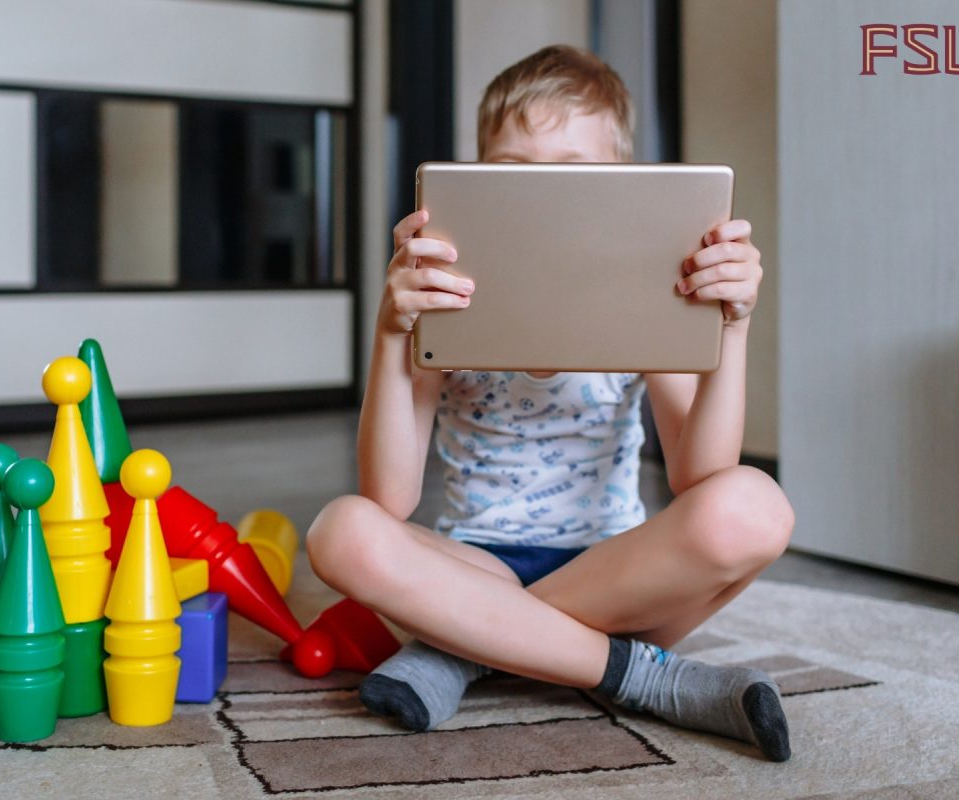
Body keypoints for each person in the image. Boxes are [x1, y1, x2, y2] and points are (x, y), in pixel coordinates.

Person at [306, 44, 795, 762]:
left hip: (623, 581)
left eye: (571, 178)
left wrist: (734, 326)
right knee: (339, 531)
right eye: (513, 178)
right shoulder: (451, 295)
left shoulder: (644, 294)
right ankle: (636, 677)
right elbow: (389, 496)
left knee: (755, 507)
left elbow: (702, 477)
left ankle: (467, 649)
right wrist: (390, 333)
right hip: (477, 568)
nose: (544, 204)